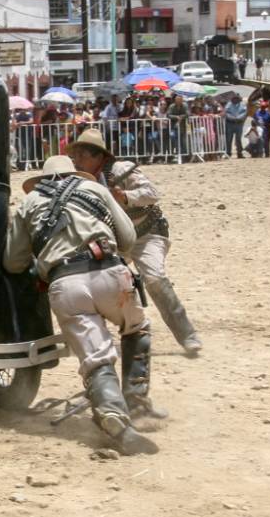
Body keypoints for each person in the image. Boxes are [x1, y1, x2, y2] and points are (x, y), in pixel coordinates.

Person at [2, 155, 157, 455]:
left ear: (42, 179)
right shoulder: (96, 190)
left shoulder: (30, 201)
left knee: (96, 358)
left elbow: (12, 261)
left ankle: (113, 414)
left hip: (64, 284)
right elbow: (127, 239)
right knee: (136, 327)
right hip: (111, 272)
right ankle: (136, 402)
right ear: (74, 173)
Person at [69, 128, 202, 358]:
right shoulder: (81, 181)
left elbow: (152, 193)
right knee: (91, 279)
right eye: (76, 156)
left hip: (146, 234)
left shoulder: (121, 170)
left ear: (98, 157)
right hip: (116, 240)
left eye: (82, 156)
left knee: (155, 279)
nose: (77, 161)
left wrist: (126, 197)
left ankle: (187, 335)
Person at [221, 93, 247, 158]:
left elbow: (244, 113)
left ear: (239, 99)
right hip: (230, 123)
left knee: (238, 139)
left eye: (236, 98)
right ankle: (228, 153)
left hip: (239, 124)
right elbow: (226, 112)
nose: (235, 99)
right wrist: (232, 118)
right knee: (228, 139)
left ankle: (239, 153)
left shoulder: (243, 105)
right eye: (234, 98)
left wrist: (238, 118)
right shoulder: (228, 104)